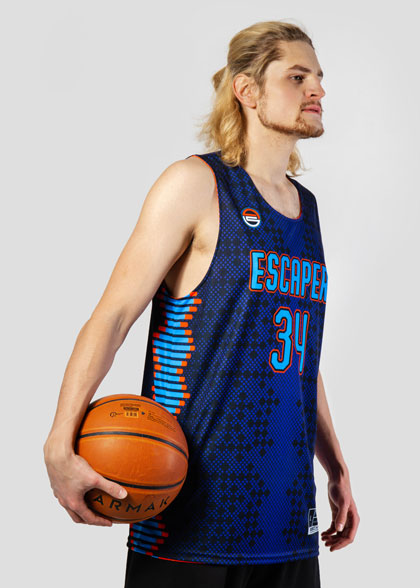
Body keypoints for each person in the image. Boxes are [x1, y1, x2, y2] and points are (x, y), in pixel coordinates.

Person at [44, 20, 360, 588]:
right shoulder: (195, 183)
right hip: (189, 520)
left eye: (318, 77)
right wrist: (58, 444)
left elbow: (298, 357)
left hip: (288, 517)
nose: (317, 88)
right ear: (247, 90)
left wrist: (335, 466)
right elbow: (111, 318)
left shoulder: (306, 209)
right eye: (297, 77)